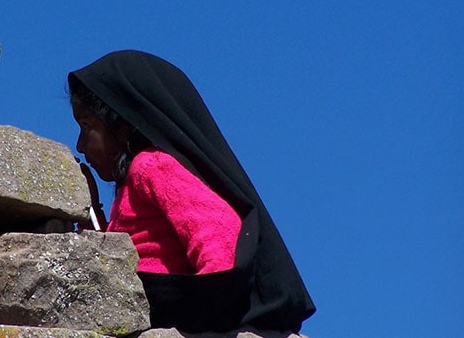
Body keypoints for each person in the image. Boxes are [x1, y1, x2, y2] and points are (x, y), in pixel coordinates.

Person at [68, 50, 315, 334]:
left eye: (86, 126)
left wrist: (210, 318)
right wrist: (90, 212)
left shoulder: (153, 166)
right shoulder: (132, 182)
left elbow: (218, 240)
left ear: (123, 125)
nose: (80, 144)